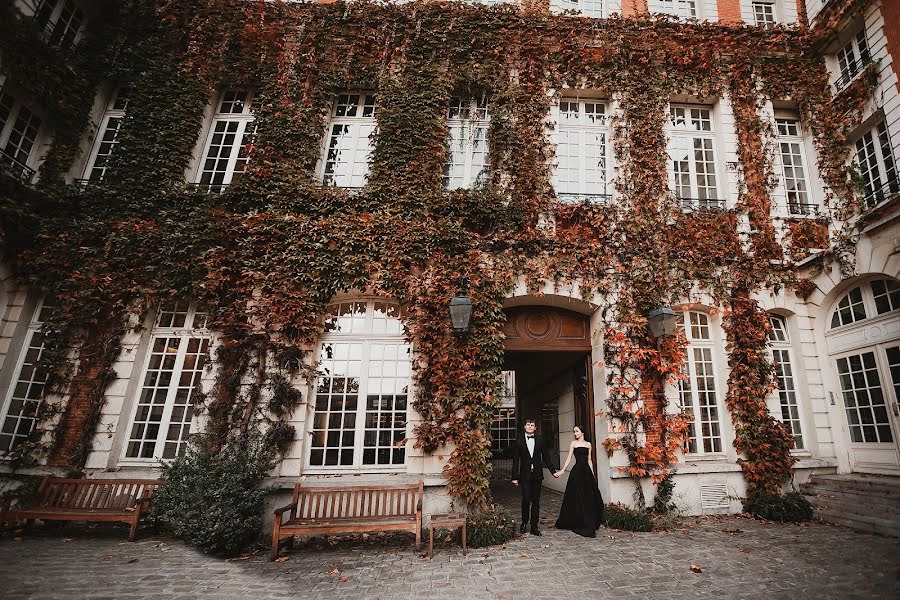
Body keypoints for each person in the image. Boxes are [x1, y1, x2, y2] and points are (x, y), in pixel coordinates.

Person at [502, 418, 560, 536]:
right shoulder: (519, 441)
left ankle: (534, 527)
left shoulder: (540, 440)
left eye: (532, 425)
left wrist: (553, 471)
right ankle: (524, 523)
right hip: (525, 475)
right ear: (524, 427)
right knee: (526, 499)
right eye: (528, 424)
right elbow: (516, 460)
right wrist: (514, 477)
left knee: (536, 501)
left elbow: (546, 457)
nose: (529, 426)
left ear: (535, 428)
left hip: (537, 475)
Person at [554, 425, 605, 537]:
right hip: (577, 472)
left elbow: (589, 460)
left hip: (586, 472)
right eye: (574, 431)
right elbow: (569, 458)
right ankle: (576, 520)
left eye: (576, 431)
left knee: (589, 496)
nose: (575, 433)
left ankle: (588, 520)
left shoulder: (588, 444)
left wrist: (592, 475)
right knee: (576, 496)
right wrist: (562, 470)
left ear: (582, 432)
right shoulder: (573, 443)